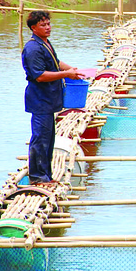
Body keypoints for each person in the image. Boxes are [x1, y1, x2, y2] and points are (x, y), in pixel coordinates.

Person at [22, 10, 83, 186]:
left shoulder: (45, 43)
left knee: (49, 139)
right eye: (43, 25)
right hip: (40, 100)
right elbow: (39, 75)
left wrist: (73, 71)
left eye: (48, 24)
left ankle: (46, 175)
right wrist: (66, 74)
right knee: (40, 138)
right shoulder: (33, 48)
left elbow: (56, 62)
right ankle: (37, 177)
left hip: (49, 99)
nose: (48, 27)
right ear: (34, 28)